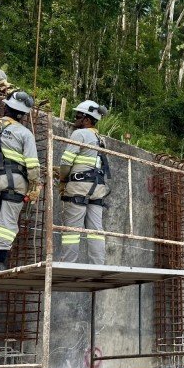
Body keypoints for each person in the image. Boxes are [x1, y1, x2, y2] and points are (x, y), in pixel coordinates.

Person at [0, 92, 40, 274]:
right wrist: (35, 186)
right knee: (7, 224)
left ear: (6, 107)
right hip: (15, 181)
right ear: (23, 115)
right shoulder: (25, 133)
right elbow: (33, 165)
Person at [57, 100, 111, 264]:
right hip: (97, 187)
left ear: (87, 119)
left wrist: (62, 180)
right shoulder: (100, 139)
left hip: (79, 186)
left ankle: (69, 263)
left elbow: (66, 163)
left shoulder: (79, 134)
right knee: (96, 229)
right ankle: (98, 265)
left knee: (72, 229)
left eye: (78, 116)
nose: (75, 119)